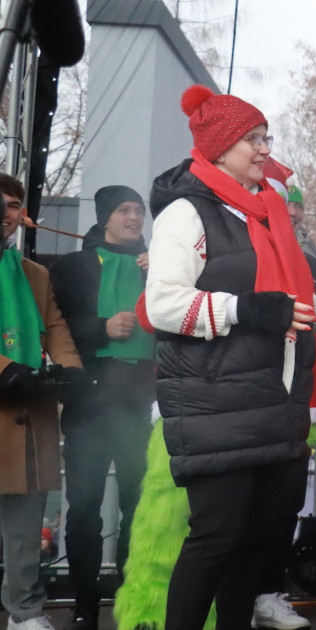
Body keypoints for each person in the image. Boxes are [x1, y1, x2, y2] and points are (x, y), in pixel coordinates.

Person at [143, 85, 316, 630]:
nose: (265, 147)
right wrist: (247, 310)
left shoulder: (266, 211)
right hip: (217, 402)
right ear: (219, 147)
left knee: (259, 541)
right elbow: (165, 304)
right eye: (252, 138)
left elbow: (283, 300)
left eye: (266, 136)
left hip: (277, 400)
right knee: (217, 538)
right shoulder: (186, 214)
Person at [50, 186, 156, 630]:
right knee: (84, 509)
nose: (134, 217)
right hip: (89, 404)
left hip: (140, 404)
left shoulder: (160, 265)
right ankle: (85, 603)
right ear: (105, 217)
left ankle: (133, 596)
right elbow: (54, 326)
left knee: (139, 505)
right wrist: (101, 327)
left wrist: (166, 274)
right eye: (124, 210)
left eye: (139, 210)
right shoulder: (73, 266)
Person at [0, 173, 83, 630]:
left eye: (15, 205)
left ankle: (24, 612)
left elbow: (55, 329)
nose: (7, 214)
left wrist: (71, 371)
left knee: (25, 529)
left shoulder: (35, 273)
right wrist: (6, 370)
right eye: (2, 204)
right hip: (12, 394)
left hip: (28, 415)